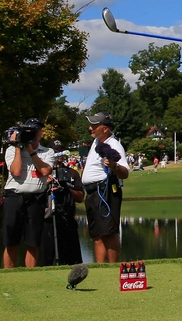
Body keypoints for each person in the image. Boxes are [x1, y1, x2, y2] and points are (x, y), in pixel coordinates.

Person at [2, 118, 55, 268]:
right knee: (11, 241)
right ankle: (8, 275)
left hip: (35, 199)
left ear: (40, 133)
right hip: (15, 197)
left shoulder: (47, 151)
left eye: (37, 131)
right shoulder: (12, 150)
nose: (34, 134)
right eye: (30, 131)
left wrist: (31, 151)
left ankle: (30, 275)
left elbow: (45, 170)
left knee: (33, 242)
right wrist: (19, 147)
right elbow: (16, 171)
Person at [81, 112, 130, 263]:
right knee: (96, 235)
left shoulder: (113, 145)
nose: (90, 128)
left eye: (94, 125)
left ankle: (113, 268)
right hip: (92, 193)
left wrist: (114, 165)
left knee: (108, 232)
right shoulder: (97, 142)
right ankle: (100, 269)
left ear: (105, 128)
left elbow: (125, 173)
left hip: (105, 191)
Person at [39, 140, 84, 266]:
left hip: (68, 217)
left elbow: (80, 197)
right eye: (55, 151)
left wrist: (66, 188)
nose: (59, 155)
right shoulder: (44, 172)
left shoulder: (72, 173)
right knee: (47, 257)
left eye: (60, 151)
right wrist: (47, 183)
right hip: (49, 219)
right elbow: (36, 194)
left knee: (72, 258)